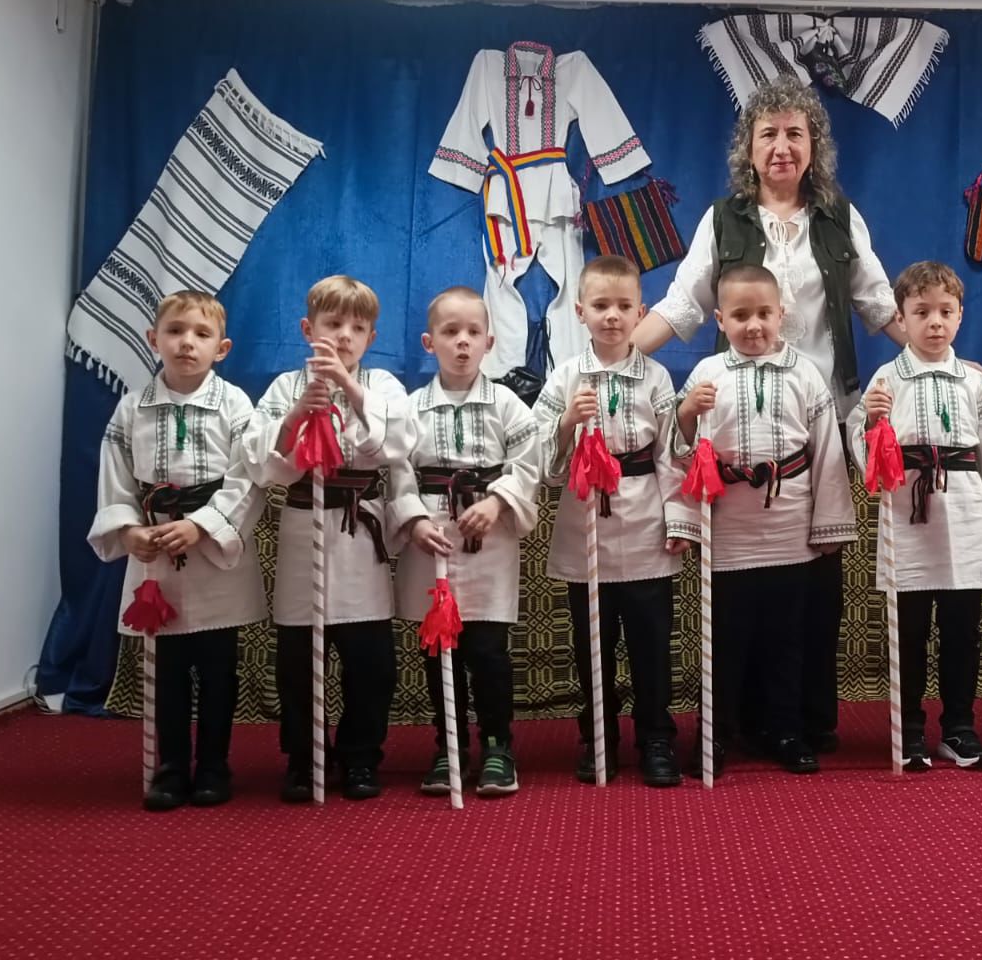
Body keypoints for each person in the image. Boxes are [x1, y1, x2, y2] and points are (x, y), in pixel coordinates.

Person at [632, 75, 900, 754]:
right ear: (748, 149)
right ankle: (740, 719)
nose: (782, 146)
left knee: (811, 583)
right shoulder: (724, 219)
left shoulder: (839, 218)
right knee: (742, 586)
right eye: (769, 134)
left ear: (814, 146)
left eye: (795, 134)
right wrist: (615, 358)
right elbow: (684, 304)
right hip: (741, 422)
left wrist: (943, 353)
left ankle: (802, 719)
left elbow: (878, 303)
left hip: (818, 417)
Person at [672, 264, 857, 778]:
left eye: (763, 314)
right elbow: (680, 453)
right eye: (740, 316)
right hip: (728, 532)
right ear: (720, 319)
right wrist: (686, 413)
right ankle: (716, 733)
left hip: (790, 529)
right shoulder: (706, 373)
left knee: (786, 639)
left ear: (782, 314)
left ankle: (786, 730)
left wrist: (829, 526)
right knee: (724, 639)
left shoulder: (806, 374)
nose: (753, 325)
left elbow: (828, 453)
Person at [89, 291, 266, 811]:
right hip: (156, 554)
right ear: (154, 339)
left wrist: (202, 525)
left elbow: (248, 478)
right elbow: (116, 477)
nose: (187, 342)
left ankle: (212, 766)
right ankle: (169, 768)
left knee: (216, 669)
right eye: (175, 331)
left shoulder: (235, 405)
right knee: (164, 670)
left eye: (201, 334)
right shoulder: (132, 408)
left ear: (222, 348)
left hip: (212, 554)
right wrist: (127, 530)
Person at [243, 275, 415, 802]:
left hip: (359, 532)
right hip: (305, 526)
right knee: (299, 661)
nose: (344, 336)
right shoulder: (284, 387)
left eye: (356, 328)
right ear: (307, 328)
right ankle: (305, 757)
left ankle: (361, 755)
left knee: (370, 662)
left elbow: (399, 443)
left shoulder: (382, 385)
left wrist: (350, 389)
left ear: (371, 337)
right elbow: (260, 461)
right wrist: (298, 414)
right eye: (332, 324)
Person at [849, 262, 982, 772]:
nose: (934, 323)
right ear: (901, 318)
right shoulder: (886, 379)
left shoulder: (973, 381)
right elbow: (864, 449)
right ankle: (908, 731)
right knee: (909, 632)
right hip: (908, 513)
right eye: (921, 312)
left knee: (962, 630)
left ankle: (959, 728)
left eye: (945, 312)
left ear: (960, 316)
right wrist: (872, 420)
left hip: (965, 512)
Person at [535, 256, 692, 788]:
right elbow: (543, 463)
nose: (612, 316)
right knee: (593, 645)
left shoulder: (657, 377)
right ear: (580, 311)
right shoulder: (565, 376)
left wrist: (679, 520)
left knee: (651, 644)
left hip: (644, 522)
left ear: (640, 312)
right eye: (600, 305)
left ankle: (656, 737)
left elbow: (671, 453)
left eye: (624, 306)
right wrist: (566, 422)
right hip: (587, 526)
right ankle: (598, 736)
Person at [389, 287, 541, 799]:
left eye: (473, 332)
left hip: (488, 542)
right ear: (429, 342)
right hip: (434, 542)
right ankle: (448, 745)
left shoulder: (507, 405)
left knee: (488, 650)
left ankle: (498, 745)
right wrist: (414, 521)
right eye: (450, 332)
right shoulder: (410, 409)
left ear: (489, 342)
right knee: (440, 651)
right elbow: (398, 473)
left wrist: (497, 502)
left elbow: (529, 462)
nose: (462, 342)